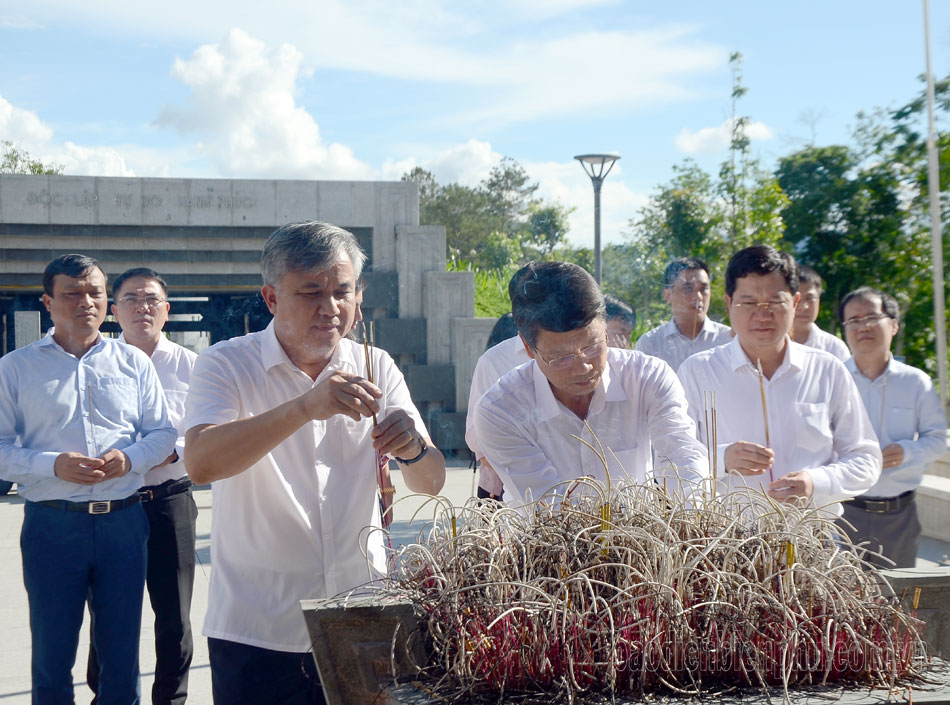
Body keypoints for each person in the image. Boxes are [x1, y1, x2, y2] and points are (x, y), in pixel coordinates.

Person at [183, 221, 446, 704]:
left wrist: (411, 449)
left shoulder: (376, 364)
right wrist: (306, 407)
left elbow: (430, 482)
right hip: (259, 626)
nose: (330, 307)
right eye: (311, 292)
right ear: (271, 298)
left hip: (363, 616)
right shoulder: (225, 364)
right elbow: (201, 462)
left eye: (343, 291)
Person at [0, 254, 177, 704]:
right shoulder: (16, 368)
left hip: (124, 522)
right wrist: (51, 464)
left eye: (95, 293)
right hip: (52, 526)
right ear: (47, 301)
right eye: (72, 294)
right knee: (52, 653)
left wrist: (130, 458)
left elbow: (162, 433)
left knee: (121, 655)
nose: (86, 302)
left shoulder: (133, 363)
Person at [471, 261, 707, 506]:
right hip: (544, 542)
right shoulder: (500, 410)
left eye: (593, 347)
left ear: (605, 328)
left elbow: (683, 459)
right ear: (529, 348)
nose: (583, 367)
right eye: (562, 357)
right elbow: (547, 509)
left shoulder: (648, 378)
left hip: (639, 538)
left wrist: (690, 518)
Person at [677, 245, 880, 515]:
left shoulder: (828, 370)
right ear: (728, 304)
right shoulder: (698, 372)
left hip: (812, 538)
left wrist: (815, 482)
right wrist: (721, 459)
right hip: (727, 542)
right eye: (748, 303)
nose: (762, 314)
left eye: (775, 302)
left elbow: (866, 459)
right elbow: (670, 462)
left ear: (795, 303)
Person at [86, 268, 198, 705]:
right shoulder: (96, 364)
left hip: (170, 502)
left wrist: (172, 451)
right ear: (113, 311)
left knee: (174, 617)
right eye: (131, 299)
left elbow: (209, 429)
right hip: (114, 506)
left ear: (166, 311)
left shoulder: (193, 365)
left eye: (151, 299)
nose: (142, 307)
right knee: (109, 616)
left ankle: (171, 700)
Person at [838, 287, 947, 567]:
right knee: (838, 603)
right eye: (854, 320)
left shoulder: (916, 382)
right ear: (845, 329)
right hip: (843, 512)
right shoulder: (834, 378)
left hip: (899, 514)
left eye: (872, 317)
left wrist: (907, 451)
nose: (863, 326)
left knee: (897, 602)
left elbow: (938, 438)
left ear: (894, 325)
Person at [635, 257, 732, 371]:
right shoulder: (650, 344)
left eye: (703, 289)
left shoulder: (728, 340)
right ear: (668, 295)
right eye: (688, 289)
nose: (698, 297)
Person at [791, 265, 850, 361]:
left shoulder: (834, 348)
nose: (803, 307)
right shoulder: (768, 344)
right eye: (797, 299)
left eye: (810, 298)